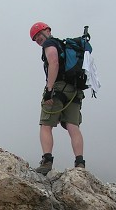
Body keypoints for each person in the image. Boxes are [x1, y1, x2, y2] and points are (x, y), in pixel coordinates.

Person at [30, 22, 86, 175]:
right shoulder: (65, 46)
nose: (37, 40)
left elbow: (53, 62)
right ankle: (80, 164)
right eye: (35, 39)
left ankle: (47, 161)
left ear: (47, 31)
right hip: (74, 91)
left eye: (38, 36)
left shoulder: (50, 44)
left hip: (58, 88)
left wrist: (49, 90)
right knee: (73, 126)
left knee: (45, 125)